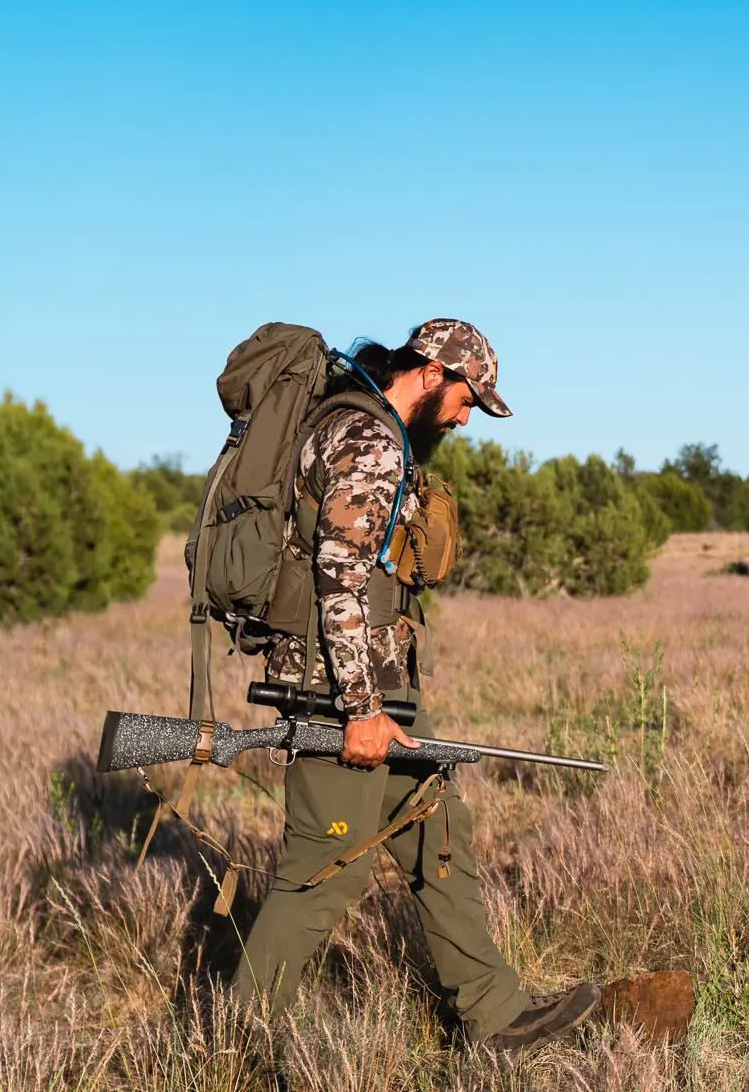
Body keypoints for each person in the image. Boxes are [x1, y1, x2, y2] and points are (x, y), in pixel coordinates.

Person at [230, 318, 598, 1051]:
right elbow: (339, 576)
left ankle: (495, 1017)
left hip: (374, 694)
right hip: (338, 696)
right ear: (432, 373)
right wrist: (361, 711)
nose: (466, 417)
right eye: (466, 399)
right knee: (324, 870)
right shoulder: (369, 441)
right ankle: (227, 1041)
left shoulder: (373, 433)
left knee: (439, 833)